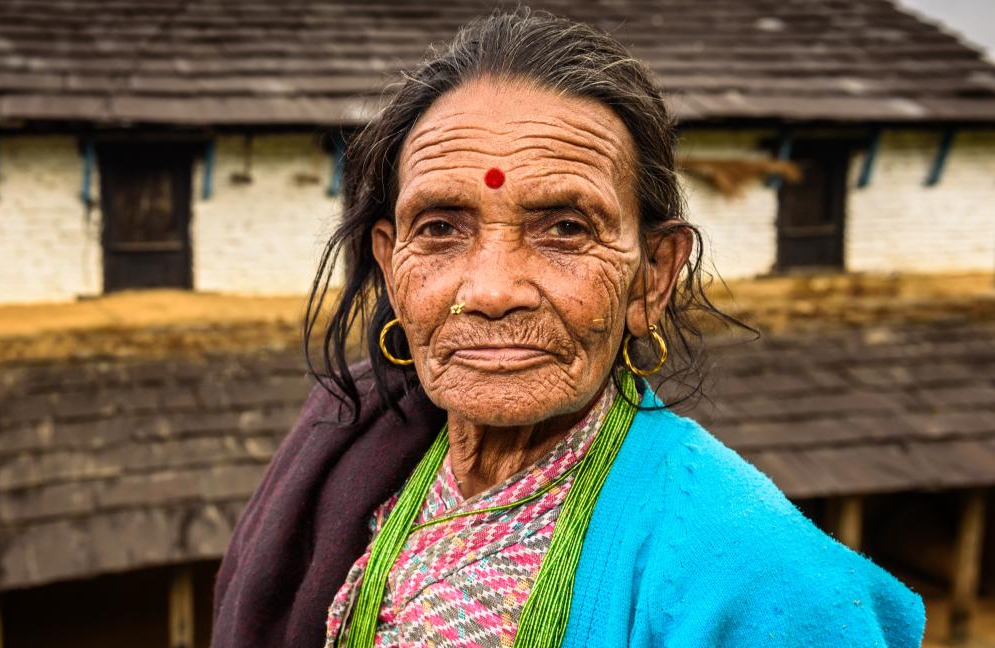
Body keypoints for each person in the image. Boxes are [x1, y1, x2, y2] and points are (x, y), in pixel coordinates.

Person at [213, 10, 924, 648]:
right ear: (391, 266)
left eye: (564, 228)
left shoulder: (764, 582)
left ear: (651, 275)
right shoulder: (357, 458)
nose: (491, 291)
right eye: (439, 229)